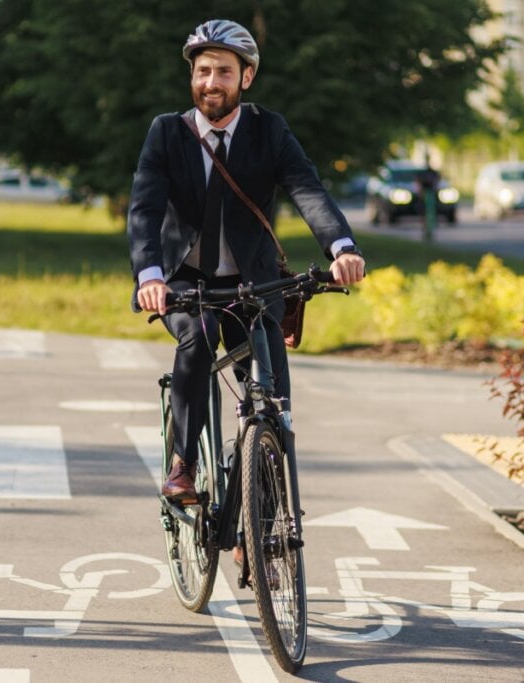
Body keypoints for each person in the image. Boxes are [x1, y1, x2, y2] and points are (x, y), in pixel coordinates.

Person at [127, 19, 367, 505]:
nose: (210, 82)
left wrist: (341, 246)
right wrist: (149, 275)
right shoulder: (167, 133)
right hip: (184, 283)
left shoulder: (268, 130)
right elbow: (145, 210)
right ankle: (184, 465)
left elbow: (307, 189)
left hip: (252, 285)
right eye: (202, 71)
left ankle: (258, 515)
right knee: (196, 339)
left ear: (247, 77)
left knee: (272, 399)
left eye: (222, 72)